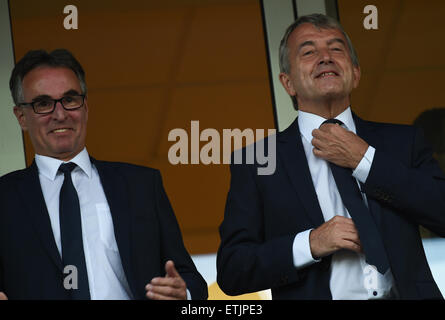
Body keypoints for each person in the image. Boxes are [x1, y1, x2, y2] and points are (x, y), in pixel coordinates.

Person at [217, 13, 445, 299]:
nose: (325, 57)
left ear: (356, 72)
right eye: (309, 51)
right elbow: (232, 269)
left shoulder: (403, 142)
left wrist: (366, 160)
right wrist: (311, 243)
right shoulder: (259, 160)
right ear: (288, 83)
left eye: (336, 48)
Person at [0, 49, 208, 300]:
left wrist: (182, 294)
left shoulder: (141, 185)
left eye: (70, 99)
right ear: (21, 117)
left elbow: (191, 280)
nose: (60, 113)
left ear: (85, 106)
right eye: (43, 104)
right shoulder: (4, 199)